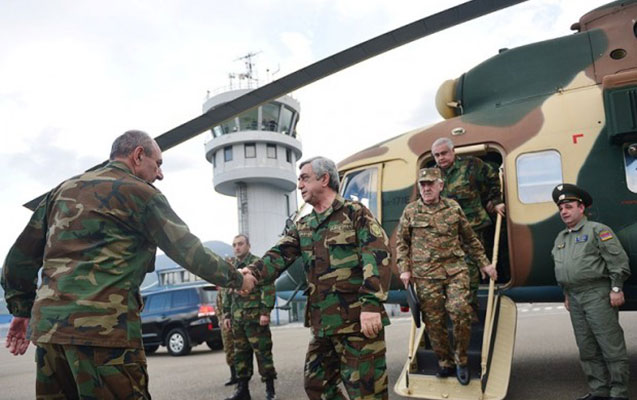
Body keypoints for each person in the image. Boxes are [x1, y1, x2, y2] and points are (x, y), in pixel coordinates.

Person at [1, 130, 256, 399]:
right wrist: (239, 279)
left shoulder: (61, 191)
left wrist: (21, 310)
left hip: (50, 334)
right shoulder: (141, 194)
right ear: (138, 155)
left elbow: (18, 260)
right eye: (158, 164)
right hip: (103, 334)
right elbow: (189, 251)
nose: (160, 174)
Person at [243, 156, 392, 400]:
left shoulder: (354, 213)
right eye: (299, 179)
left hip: (357, 323)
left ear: (324, 179)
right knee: (317, 385)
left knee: (367, 393)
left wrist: (371, 305)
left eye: (304, 178)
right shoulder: (304, 225)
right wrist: (251, 273)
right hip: (322, 325)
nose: (299, 185)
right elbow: (278, 254)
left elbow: (377, 255)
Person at [396, 167, 497, 385]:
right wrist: (404, 268)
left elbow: (470, 238)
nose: (426, 188)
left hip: (455, 270)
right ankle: (445, 361)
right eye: (423, 184)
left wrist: (485, 263)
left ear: (440, 185)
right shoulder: (411, 211)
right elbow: (402, 242)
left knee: (460, 311)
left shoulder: (453, 208)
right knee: (433, 321)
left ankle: (461, 360)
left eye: (431, 184)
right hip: (425, 275)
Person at [551, 184, 630, 400]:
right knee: (586, 347)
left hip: (597, 294)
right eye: (561, 208)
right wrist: (567, 294)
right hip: (574, 296)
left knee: (610, 344)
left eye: (569, 207)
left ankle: (619, 392)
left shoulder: (598, 231)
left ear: (581, 208)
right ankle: (599, 391)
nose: (564, 212)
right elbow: (564, 269)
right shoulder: (561, 238)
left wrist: (616, 288)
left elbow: (618, 262)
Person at [431, 137, 504, 316]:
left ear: (453, 151)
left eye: (444, 153)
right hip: (448, 234)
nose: (441, 158)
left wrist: (495, 200)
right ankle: (459, 309)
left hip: (473, 228)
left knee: (470, 270)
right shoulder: (432, 175)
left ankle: (469, 311)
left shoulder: (471, 165)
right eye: (437, 155)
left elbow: (493, 177)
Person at [224, 234, 277, 400]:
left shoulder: (257, 264)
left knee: (263, 353)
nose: (237, 247)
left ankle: (270, 390)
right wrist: (227, 314)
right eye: (234, 245)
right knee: (240, 354)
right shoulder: (232, 267)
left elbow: (268, 287)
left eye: (240, 244)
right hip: (238, 319)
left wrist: (265, 312)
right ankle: (243, 390)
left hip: (255, 318)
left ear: (248, 245)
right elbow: (227, 291)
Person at [217, 284, 237, 386]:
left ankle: (242, 375)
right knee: (229, 349)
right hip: (225, 326)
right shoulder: (220, 292)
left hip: (235, 322)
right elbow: (219, 308)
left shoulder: (228, 289)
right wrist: (220, 320)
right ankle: (234, 375)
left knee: (240, 348)